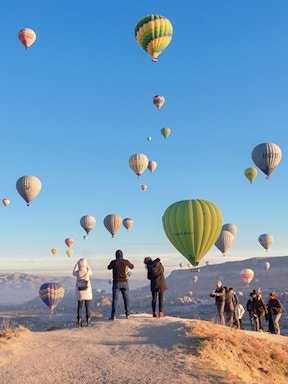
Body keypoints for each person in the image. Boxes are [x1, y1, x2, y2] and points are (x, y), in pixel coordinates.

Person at [107, 249, 134, 320]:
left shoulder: (114, 262)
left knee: (115, 299)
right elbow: (132, 266)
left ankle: (113, 315)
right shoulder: (126, 262)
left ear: (116, 255)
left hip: (116, 282)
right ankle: (127, 314)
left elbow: (108, 267)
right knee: (126, 299)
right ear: (122, 255)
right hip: (125, 282)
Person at [72, 258, 93, 327]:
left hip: (80, 291)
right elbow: (92, 272)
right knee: (88, 306)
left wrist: (75, 266)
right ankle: (88, 321)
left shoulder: (77, 272)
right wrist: (88, 266)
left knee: (80, 306)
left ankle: (79, 321)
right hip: (87, 291)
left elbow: (73, 273)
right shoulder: (88, 271)